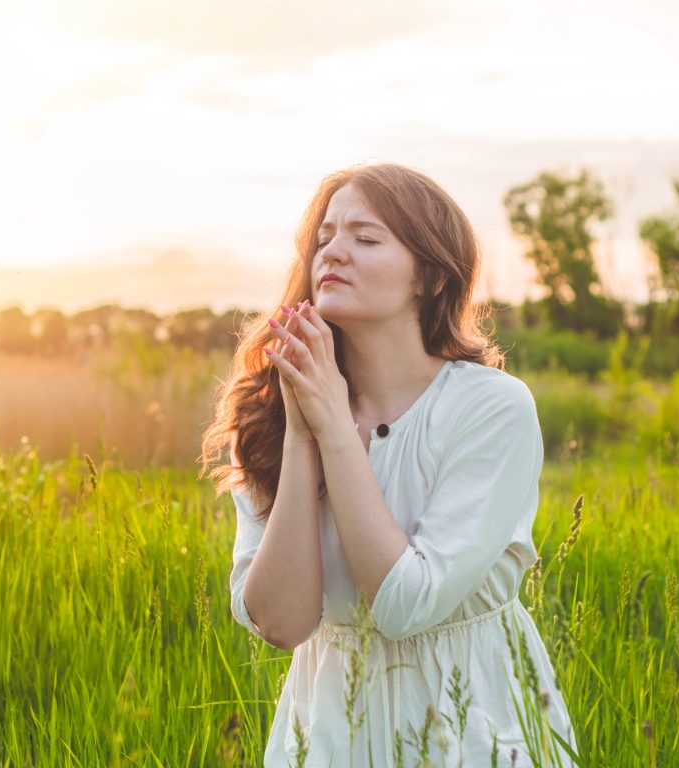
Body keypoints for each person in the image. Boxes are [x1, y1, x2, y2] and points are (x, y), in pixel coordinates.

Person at [201, 162, 579, 766]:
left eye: (366, 238)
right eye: (324, 238)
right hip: (328, 730)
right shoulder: (273, 413)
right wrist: (304, 437)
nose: (334, 253)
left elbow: (408, 606)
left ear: (429, 277)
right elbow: (282, 622)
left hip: (468, 724)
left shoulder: (489, 408)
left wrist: (334, 429)